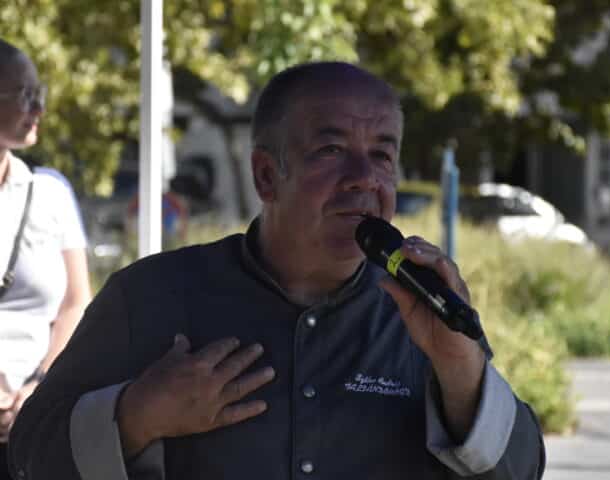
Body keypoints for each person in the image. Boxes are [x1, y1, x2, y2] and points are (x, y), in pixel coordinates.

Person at [9, 62, 545, 479]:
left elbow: (521, 471)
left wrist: (462, 370)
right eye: (331, 150)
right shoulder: (150, 296)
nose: (364, 177)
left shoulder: (426, 312)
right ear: (266, 176)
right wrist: (136, 416)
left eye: (383, 156)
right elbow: (28, 455)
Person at [0, 39, 91, 478]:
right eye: (24, 94)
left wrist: (39, 387)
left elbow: (76, 302)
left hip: (36, 422)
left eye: (40, 93)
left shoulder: (50, 192)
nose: (39, 108)